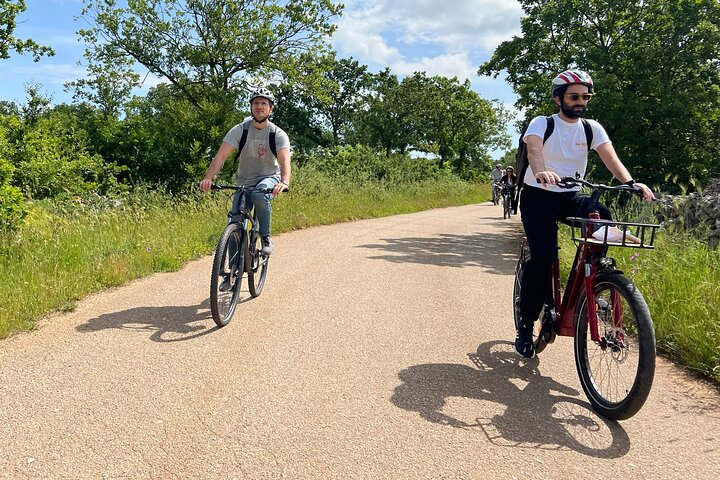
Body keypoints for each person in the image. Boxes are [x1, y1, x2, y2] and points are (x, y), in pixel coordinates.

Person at [515, 69, 654, 358]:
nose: (580, 102)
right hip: (538, 196)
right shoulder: (542, 123)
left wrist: (630, 183)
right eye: (574, 96)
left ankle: (596, 276)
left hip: (569, 196)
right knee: (542, 259)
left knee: (599, 211)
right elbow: (534, 150)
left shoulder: (592, 128)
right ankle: (526, 324)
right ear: (558, 99)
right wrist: (541, 171)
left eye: (584, 97)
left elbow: (610, 157)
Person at [199, 87, 291, 255]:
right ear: (251, 107)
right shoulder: (240, 130)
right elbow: (220, 156)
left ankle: (265, 237)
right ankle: (231, 275)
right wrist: (208, 178)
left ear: (271, 108)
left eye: (264, 103)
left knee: (258, 195)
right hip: (244, 180)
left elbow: (285, 160)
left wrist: (284, 182)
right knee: (235, 222)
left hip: (269, 177)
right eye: (256, 103)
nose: (259, 106)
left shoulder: (277, 133)